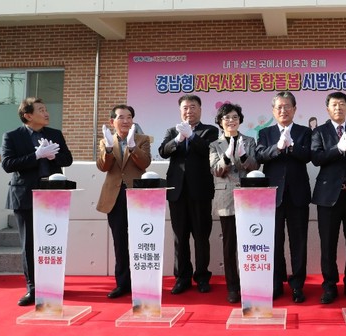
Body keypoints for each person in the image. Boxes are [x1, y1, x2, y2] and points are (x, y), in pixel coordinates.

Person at [1, 97, 73, 306]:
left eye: (46, 108)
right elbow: (7, 164)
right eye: (41, 110)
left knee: (53, 242)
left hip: (53, 196)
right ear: (28, 115)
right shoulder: (13, 136)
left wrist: (53, 157)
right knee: (30, 245)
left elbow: (67, 159)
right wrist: (37, 155)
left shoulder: (54, 134)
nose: (47, 113)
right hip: (25, 196)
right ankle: (33, 289)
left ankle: (53, 286)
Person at [310, 92, 346, 304]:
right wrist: (337, 149)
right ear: (327, 109)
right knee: (328, 243)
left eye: (342, 104)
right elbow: (316, 158)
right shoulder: (319, 132)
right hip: (328, 196)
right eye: (334, 105)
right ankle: (329, 286)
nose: (338, 108)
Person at [159, 94, 218, 294]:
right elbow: (163, 151)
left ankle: (202, 277)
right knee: (180, 237)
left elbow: (208, 150)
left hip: (200, 191)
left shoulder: (209, 130)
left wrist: (192, 136)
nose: (189, 111)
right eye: (185, 107)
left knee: (201, 236)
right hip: (177, 192)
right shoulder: (172, 130)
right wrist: (178, 138)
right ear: (180, 111)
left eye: (193, 107)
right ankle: (182, 277)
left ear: (200, 109)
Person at [256, 91, 312, 303]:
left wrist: (293, 146)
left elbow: (309, 156)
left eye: (287, 106)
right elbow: (260, 155)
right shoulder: (266, 133)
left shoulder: (304, 131)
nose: (283, 110)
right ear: (273, 110)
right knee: (274, 241)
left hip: (298, 194)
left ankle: (298, 285)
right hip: (273, 194)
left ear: (294, 109)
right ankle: (276, 284)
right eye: (279, 107)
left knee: (298, 242)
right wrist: (278, 148)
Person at [96, 104, 151, 299]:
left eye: (129, 117)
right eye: (121, 117)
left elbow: (145, 163)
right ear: (113, 121)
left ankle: (143, 282)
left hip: (138, 195)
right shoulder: (106, 141)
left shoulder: (142, 139)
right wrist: (109, 149)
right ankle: (123, 283)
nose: (126, 121)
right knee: (120, 241)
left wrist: (133, 147)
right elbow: (103, 166)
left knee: (141, 240)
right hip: (115, 197)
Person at [209, 103, 259, 304]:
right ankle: (233, 287)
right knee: (230, 245)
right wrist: (228, 159)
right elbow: (215, 170)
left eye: (235, 117)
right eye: (227, 117)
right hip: (226, 197)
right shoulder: (214, 145)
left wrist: (243, 156)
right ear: (220, 122)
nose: (231, 120)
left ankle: (252, 284)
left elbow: (256, 165)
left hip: (249, 196)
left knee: (251, 242)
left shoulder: (249, 140)